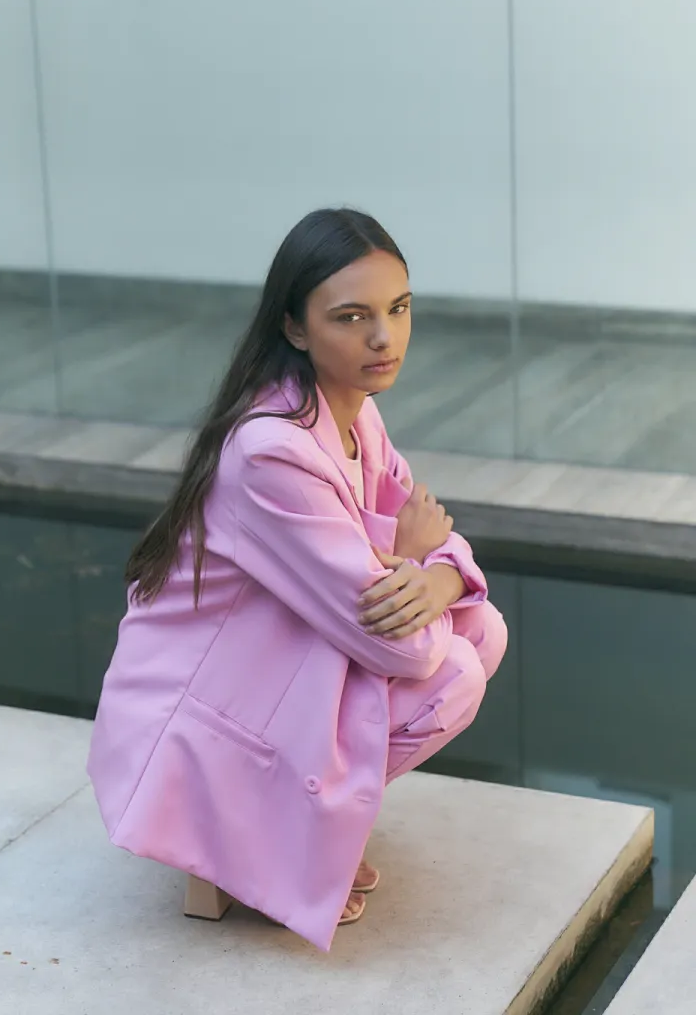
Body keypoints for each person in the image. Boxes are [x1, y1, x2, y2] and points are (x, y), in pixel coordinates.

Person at [87, 208, 507, 952]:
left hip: (276, 660)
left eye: (397, 309)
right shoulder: (269, 452)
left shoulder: (354, 416)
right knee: (451, 670)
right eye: (352, 317)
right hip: (202, 710)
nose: (384, 338)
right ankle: (266, 836)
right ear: (294, 327)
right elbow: (403, 648)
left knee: (481, 628)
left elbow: (435, 538)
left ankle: (298, 823)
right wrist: (414, 563)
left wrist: (434, 579)